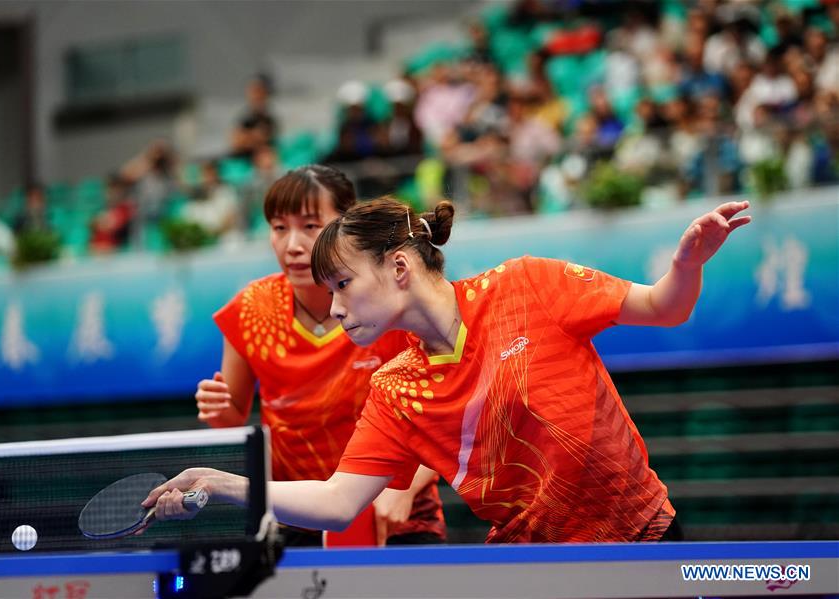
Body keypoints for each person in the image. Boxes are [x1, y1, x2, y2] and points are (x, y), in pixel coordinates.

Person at [145, 196, 751, 543]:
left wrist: (687, 265)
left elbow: (664, 308)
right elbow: (336, 503)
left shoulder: (528, 285)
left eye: (344, 284)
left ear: (400, 268)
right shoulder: (396, 389)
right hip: (535, 570)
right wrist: (222, 481)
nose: (332, 306)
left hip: (640, 535)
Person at [193, 166, 445, 546]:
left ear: (345, 224)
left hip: (395, 513)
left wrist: (406, 490)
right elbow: (234, 418)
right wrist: (220, 412)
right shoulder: (251, 309)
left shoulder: (389, 302)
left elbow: (444, 415)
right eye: (279, 228)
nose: (292, 245)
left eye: (310, 226)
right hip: (298, 517)